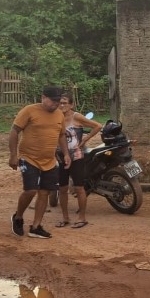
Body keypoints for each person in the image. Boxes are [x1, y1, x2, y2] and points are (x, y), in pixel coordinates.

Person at [9, 86, 70, 239]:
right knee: (30, 190)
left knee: (44, 192)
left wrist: (67, 154)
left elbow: (61, 135)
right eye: (53, 101)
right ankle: (18, 217)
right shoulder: (29, 111)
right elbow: (14, 131)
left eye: (59, 101)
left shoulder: (59, 115)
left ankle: (36, 227)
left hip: (49, 160)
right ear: (43, 97)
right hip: (28, 157)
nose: (56, 104)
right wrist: (13, 155)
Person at [54, 93, 102, 229]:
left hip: (76, 156)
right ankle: (65, 217)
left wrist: (85, 140)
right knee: (62, 188)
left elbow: (97, 126)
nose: (62, 105)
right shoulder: (55, 117)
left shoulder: (77, 117)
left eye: (65, 103)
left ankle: (82, 217)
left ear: (71, 105)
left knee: (79, 187)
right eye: (60, 103)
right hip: (61, 156)